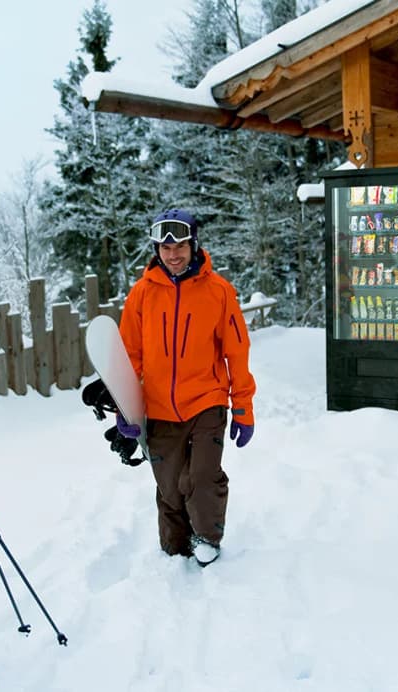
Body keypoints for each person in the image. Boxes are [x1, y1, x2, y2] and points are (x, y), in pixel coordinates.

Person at [116, 209, 257, 567]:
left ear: (194, 245)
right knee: (169, 483)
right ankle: (175, 547)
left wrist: (242, 408)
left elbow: (236, 352)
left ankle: (207, 538)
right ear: (156, 251)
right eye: (165, 248)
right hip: (159, 405)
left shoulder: (219, 292)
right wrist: (125, 408)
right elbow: (129, 355)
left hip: (207, 400)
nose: (173, 254)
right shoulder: (141, 295)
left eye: (180, 246)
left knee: (202, 475)